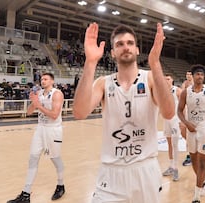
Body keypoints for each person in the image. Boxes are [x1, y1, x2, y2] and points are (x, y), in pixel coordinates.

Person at [73, 23, 174, 203]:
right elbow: (80, 112)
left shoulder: (150, 78)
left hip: (145, 169)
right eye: (119, 44)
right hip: (111, 171)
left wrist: (155, 63)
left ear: (136, 49)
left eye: (129, 43)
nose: (125, 47)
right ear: (112, 52)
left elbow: (168, 112)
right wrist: (90, 62)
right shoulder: (103, 83)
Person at [7, 73, 65, 203]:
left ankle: (61, 185)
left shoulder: (57, 94)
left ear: (52, 81)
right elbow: (28, 112)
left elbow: (55, 115)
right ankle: (26, 194)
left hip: (53, 130)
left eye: (45, 79)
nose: (42, 81)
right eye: (41, 79)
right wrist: (34, 103)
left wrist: (38, 105)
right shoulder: (38, 93)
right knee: (33, 158)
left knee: (55, 159)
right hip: (40, 129)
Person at [177, 64, 205, 203]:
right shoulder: (186, 92)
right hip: (191, 128)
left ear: (204, 77)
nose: (200, 77)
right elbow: (179, 111)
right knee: (194, 160)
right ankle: (201, 181)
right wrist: (186, 123)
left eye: (202, 75)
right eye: (197, 74)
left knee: (203, 162)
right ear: (193, 76)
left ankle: (196, 196)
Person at [162, 73, 182, 181]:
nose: (166, 80)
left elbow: (184, 105)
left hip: (175, 120)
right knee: (169, 144)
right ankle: (171, 166)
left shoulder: (177, 90)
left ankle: (176, 168)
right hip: (166, 120)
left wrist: (183, 120)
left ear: (172, 80)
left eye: (168, 79)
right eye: (165, 79)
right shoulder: (162, 92)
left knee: (175, 144)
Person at [181, 70, 194, 166]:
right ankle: (190, 151)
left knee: (192, 132)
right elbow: (181, 96)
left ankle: (191, 154)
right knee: (183, 130)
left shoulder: (195, 84)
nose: (188, 76)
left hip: (194, 110)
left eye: (190, 74)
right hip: (186, 107)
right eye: (187, 74)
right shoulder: (184, 83)